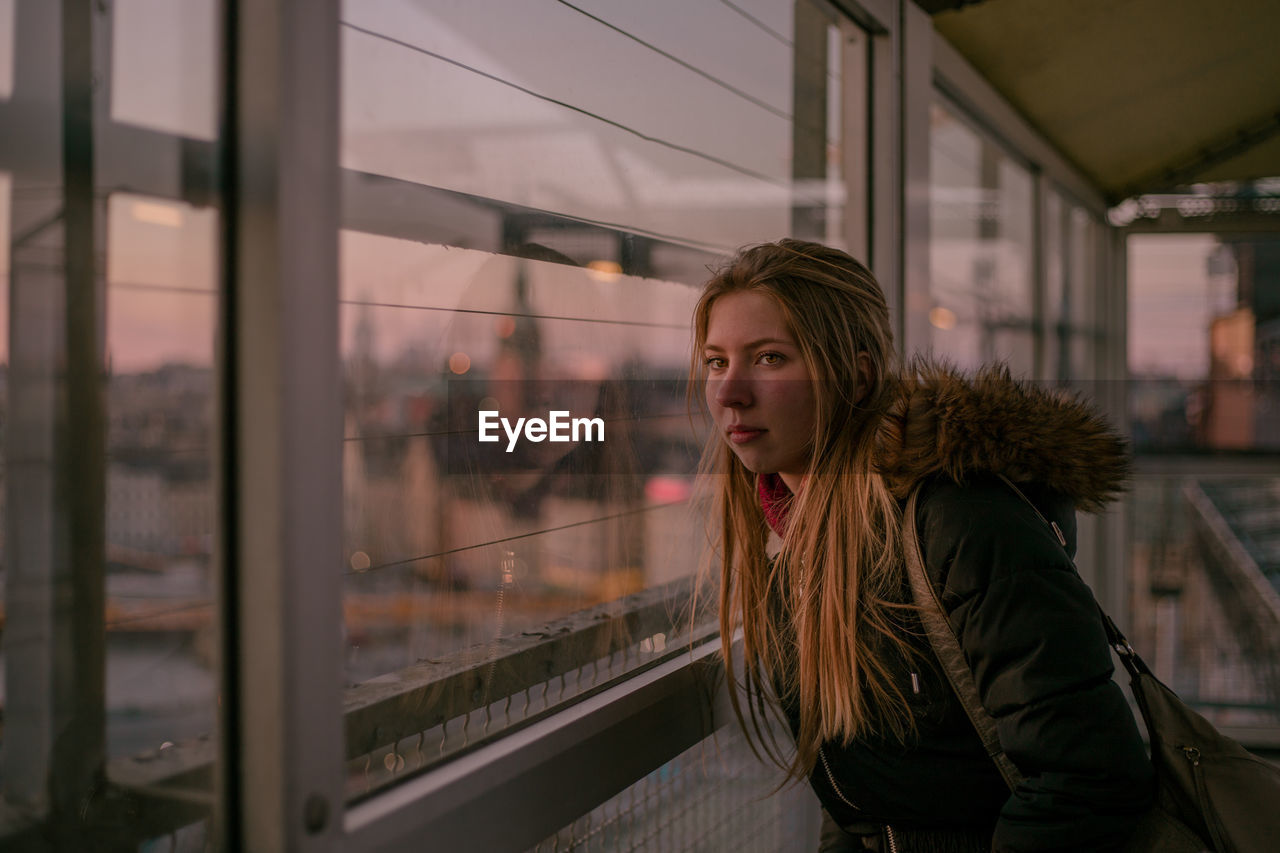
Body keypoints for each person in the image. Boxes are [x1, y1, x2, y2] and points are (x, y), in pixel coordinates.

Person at [691, 239, 1155, 852]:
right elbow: (863, 800)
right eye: (716, 362)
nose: (728, 394)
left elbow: (1087, 778)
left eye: (770, 358)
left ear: (855, 376)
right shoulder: (790, 544)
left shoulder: (958, 521)